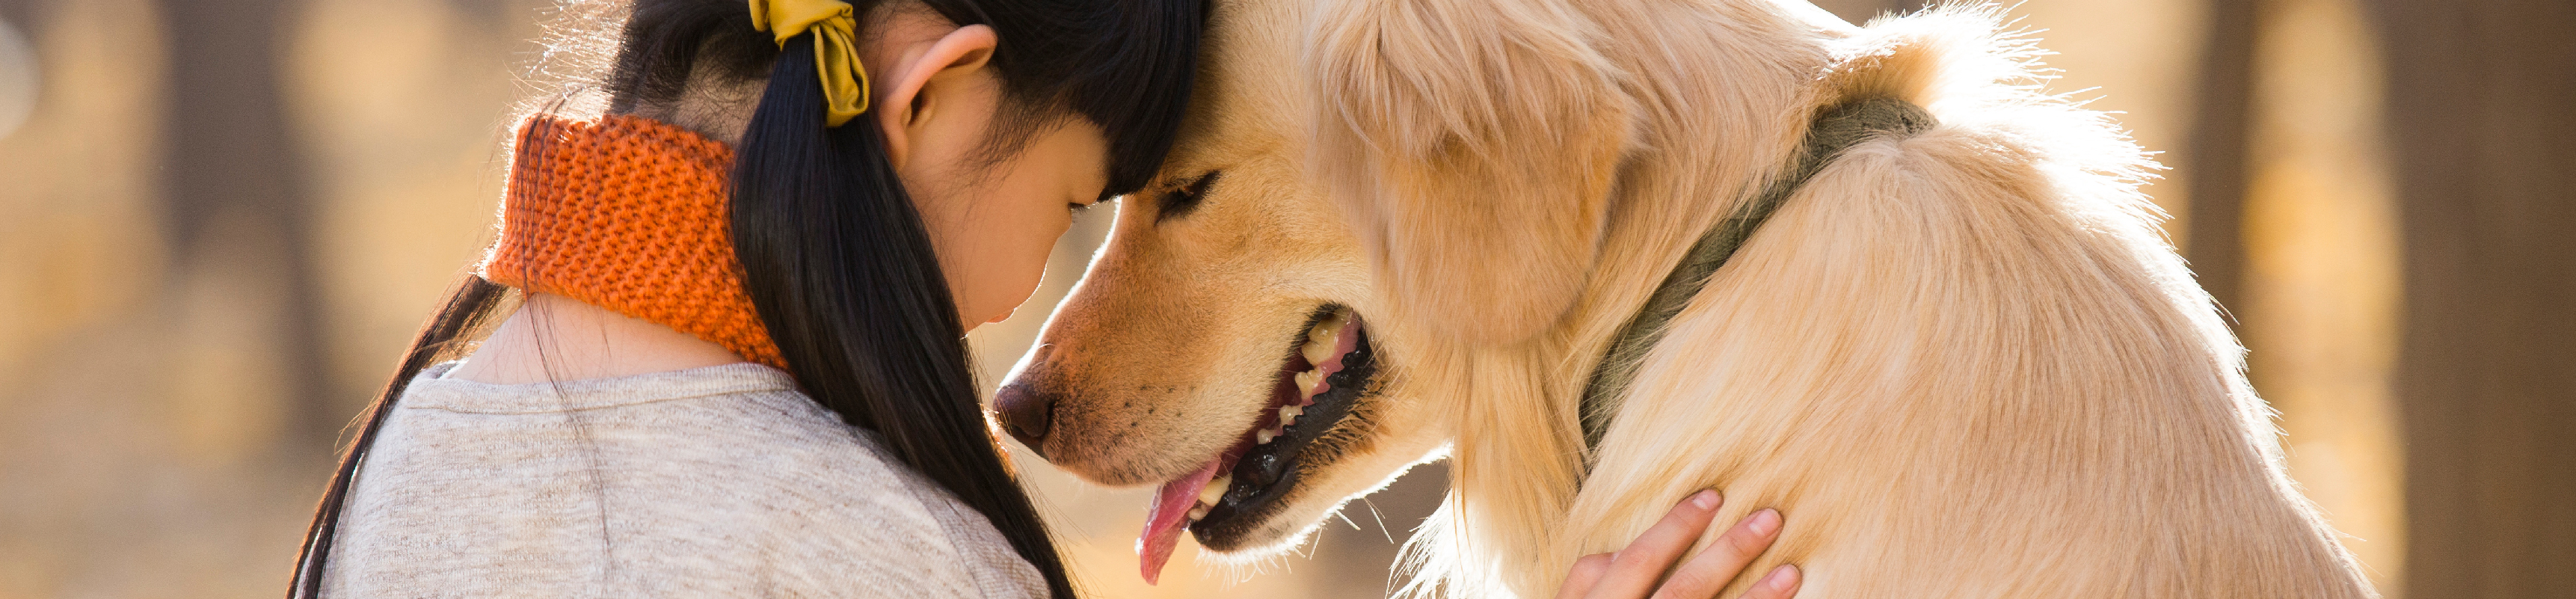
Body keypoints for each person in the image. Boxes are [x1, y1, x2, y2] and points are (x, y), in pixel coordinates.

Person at [286, 0, 1805, 597]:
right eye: (1075, 207)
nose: (1029, 308)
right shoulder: (863, 549)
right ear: (934, 94)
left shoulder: (406, 454)